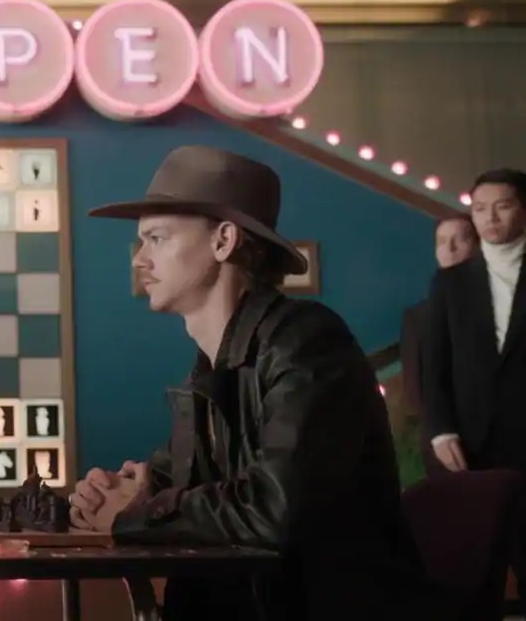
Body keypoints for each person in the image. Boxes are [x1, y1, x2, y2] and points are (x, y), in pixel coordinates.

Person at [71, 146, 440, 620]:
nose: (139, 260)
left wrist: (137, 512)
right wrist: (108, 494)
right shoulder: (211, 367)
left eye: (156, 239)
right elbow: (174, 482)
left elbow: (275, 506)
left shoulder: (306, 343)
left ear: (224, 240)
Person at [423, 168, 526, 614]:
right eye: (480, 209)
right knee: (472, 573)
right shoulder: (451, 282)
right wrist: (441, 429)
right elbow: (434, 364)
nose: (490, 218)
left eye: (502, 207)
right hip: (468, 444)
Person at [399, 215, 476, 475]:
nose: (449, 249)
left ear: (478, 246)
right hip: (442, 444)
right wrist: (441, 433)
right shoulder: (418, 317)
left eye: (459, 240)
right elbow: (415, 387)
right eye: (441, 241)